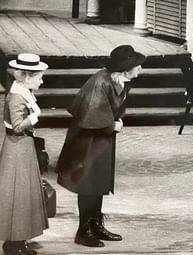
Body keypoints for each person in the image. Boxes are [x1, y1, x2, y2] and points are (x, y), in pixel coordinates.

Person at [57, 45, 146, 247]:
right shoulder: (100, 82)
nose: (140, 69)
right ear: (125, 69)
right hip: (87, 139)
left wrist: (116, 121)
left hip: (101, 138)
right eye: (137, 66)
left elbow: (115, 106)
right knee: (88, 183)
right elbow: (90, 115)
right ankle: (83, 231)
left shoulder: (121, 80)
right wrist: (111, 125)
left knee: (99, 181)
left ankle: (95, 224)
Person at [0, 53, 49, 255]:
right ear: (27, 76)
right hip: (17, 148)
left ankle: (18, 240)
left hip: (22, 147)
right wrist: (35, 118)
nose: (42, 80)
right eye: (39, 77)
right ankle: (13, 243)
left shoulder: (22, 91)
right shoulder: (17, 96)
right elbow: (18, 126)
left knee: (22, 194)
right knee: (17, 195)